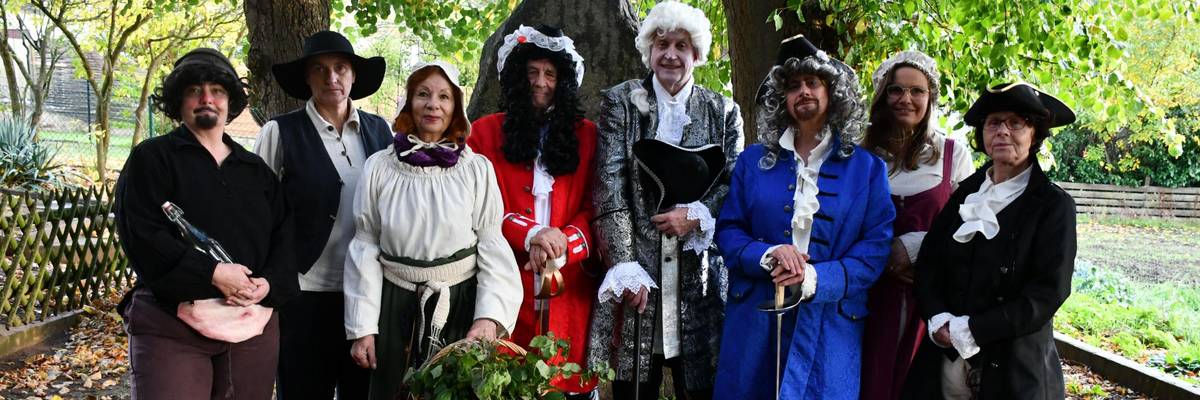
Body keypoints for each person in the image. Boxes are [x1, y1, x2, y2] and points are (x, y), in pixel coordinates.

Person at [712, 35, 894, 400]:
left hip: (829, 321)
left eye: (813, 83)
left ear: (831, 92)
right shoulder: (752, 162)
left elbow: (874, 250)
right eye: (794, 86)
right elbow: (729, 230)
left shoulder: (867, 169)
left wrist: (814, 277)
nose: (803, 92)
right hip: (756, 321)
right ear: (783, 98)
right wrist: (768, 253)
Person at [114, 48, 299, 399]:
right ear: (178, 101)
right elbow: (143, 235)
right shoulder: (152, 159)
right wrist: (212, 273)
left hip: (251, 327)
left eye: (217, 90)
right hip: (173, 326)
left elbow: (284, 239)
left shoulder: (255, 171)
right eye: (194, 90)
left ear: (230, 101)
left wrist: (268, 285)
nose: (206, 98)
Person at [588, 2, 743, 398]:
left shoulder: (723, 110)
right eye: (662, 44)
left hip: (699, 279)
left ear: (697, 53)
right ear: (649, 50)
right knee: (633, 387)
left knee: (700, 385)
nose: (671, 54)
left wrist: (698, 215)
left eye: (681, 45)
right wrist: (624, 265)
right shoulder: (622, 102)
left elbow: (735, 182)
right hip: (639, 275)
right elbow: (609, 183)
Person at [342, 61, 523, 400]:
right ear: (409, 101)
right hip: (393, 307)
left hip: (457, 305)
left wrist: (489, 316)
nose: (433, 104)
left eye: (444, 96)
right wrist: (363, 327)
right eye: (423, 94)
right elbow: (365, 245)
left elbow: (491, 243)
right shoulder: (380, 167)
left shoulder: (475, 170)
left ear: (456, 108)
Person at [911, 82, 1077, 399]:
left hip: (1014, 370)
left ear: (1035, 134)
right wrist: (938, 317)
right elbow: (930, 263)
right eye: (993, 122)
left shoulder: (1053, 206)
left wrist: (975, 329)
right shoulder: (966, 193)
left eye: (1015, 123)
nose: (1002, 131)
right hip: (944, 363)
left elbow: (1048, 292)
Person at [253, 30, 392, 400]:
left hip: (366, 294)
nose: (332, 78)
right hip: (304, 293)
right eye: (320, 69)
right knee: (302, 390)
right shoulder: (280, 132)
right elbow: (256, 210)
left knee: (362, 392)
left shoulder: (381, 131)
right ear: (307, 78)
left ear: (353, 76)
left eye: (340, 68)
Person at [467, 25, 600, 366]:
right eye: (532, 72)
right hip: (507, 277)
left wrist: (563, 245)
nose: (540, 82)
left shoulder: (587, 136)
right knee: (505, 372)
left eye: (550, 74)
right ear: (517, 77)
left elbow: (595, 206)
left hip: (569, 282)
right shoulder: (483, 133)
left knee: (563, 372)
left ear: (563, 81)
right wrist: (532, 234)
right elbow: (476, 207)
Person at [858, 50, 974, 400]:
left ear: (930, 97)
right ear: (882, 95)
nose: (905, 99)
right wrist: (884, 255)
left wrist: (913, 247)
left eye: (917, 91)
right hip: (868, 293)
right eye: (895, 90)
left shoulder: (954, 154)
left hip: (929, 296)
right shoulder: (860, 154)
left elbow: (969, 226)